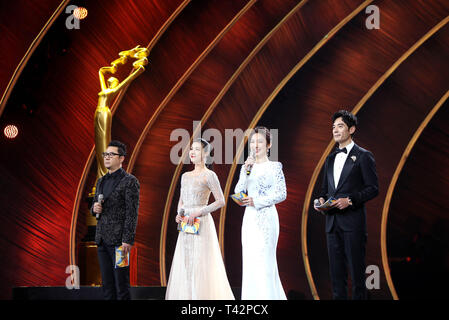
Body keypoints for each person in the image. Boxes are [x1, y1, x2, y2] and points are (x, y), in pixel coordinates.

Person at [314, 110, 378, 300]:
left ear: (351, 129)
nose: (335, 130)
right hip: (332, 223)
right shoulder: (330, 158)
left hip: (353, 223)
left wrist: (350, 200)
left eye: (340, 126)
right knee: (336, 275)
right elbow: (325, 190)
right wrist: (319, 201)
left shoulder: (364, 156)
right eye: (333, 127)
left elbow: (373, 188)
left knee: (358, 275)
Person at [165, 138, 234, 300]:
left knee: (200, 261)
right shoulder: (185, 176)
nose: (192, 152)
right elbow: (181, 200)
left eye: (197, 149)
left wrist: (200, 212)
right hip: (186, 223)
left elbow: (221, 201)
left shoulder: (210, 175)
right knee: (186, 261)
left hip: (201, 222)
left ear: (206, 153)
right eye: (191, 149)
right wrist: (179, 213)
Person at [234, 126, 287, 300]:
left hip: (267, 218)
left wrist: (257, 201)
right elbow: (238, 191)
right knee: (250, 263)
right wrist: (245, 170)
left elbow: (281, 194)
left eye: (260, 142)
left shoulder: (274, 167)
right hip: (249, 219)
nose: (255, 145)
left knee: (265, 263)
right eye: (253, 142)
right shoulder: (247, 167)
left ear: (269, 145)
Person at [91, 140, 140, 300]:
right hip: (102, 241)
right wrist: (94, 209)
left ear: (121, 158)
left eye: (111, 154)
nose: (107, 157)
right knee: (107, 285)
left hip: (120, 243)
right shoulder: (101, 181)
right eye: (105, 154)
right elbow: (94, 206)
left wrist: (127, 240)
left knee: (121, 284)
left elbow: (132, 213)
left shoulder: (130, 181)